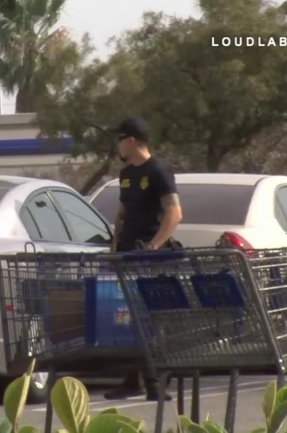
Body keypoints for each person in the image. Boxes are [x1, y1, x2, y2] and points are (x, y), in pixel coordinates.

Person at [105, 117, 183, 401]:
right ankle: (132, 379)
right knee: (127, 318)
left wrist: (154, 245)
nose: (117, 146)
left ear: (131, 140)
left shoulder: (159, 170)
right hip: (127, 253)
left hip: (150, 256)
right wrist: (115, 247)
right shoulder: (126, 174)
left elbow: (174, 213)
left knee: (150, 319)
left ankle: (156, 382)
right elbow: (122, 214)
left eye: (119, 139)